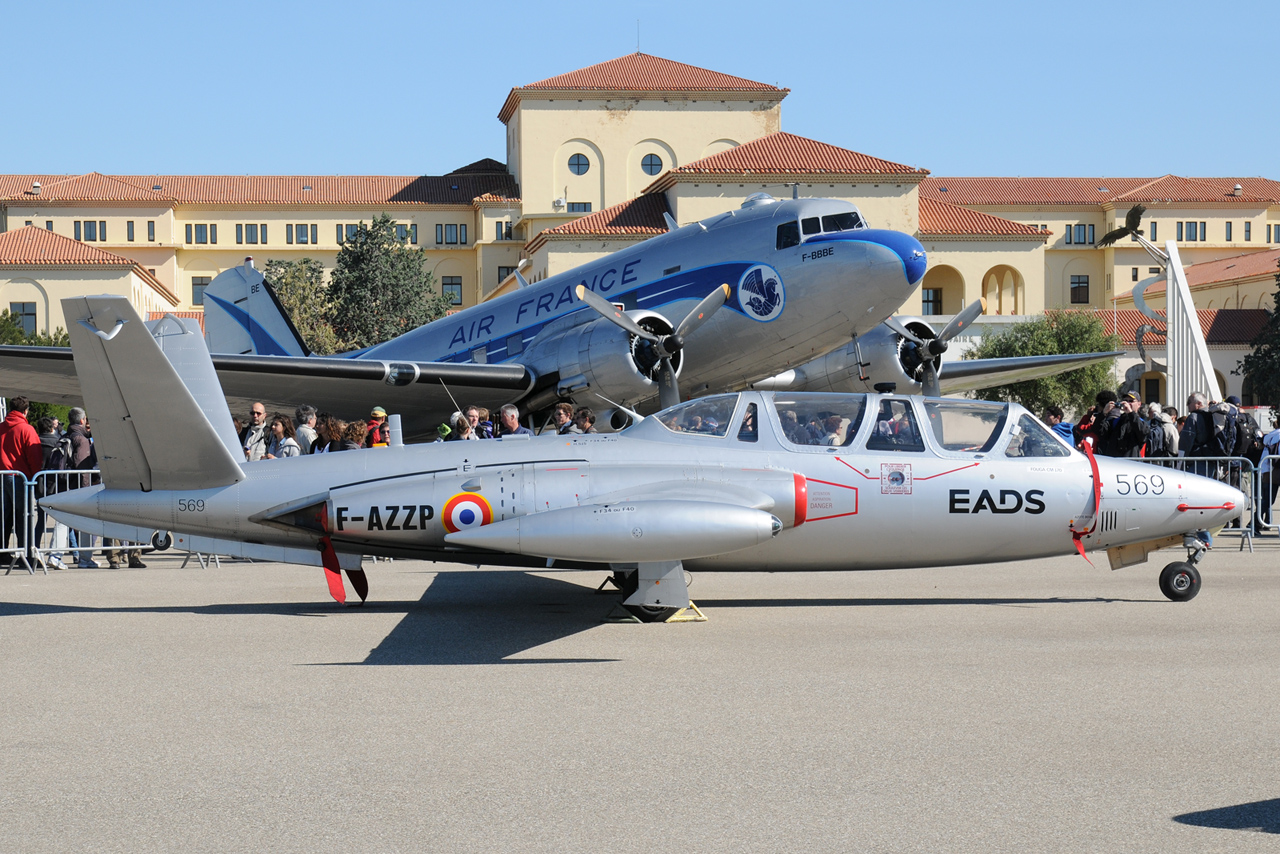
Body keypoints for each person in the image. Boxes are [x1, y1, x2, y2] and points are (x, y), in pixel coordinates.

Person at [0, 396, 44, 567]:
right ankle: (26, 555)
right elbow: (34, 457)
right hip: (20, 477)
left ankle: (3, 552)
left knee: (4, 517)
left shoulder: (2, 427)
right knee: (24, 517)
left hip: (3, 475)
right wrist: (36, 476)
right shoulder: (27, 429)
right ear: (26, 411)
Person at [1178, 392, 1215, 547]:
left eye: (1189, 403)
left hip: (1197, 463)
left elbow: (1185, 442)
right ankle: (1206, 536)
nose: (1187, 406)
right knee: (1206, 499)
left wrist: (1179, 463)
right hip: (1212, 462)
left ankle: (1204, 538)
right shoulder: (1214, 415)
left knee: (1195, 500)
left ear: (1198, 403)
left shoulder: (1194, 418)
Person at [34, 416, 69, 570]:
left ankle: (33, 550)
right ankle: (67, 553)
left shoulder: (35, 443)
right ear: (51, 428)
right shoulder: (57, 442)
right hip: (55, 485)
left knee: (40, 521)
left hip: (38, 482)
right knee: (62, 520)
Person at [1261, 416, 1280, 535]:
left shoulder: (1272, 435)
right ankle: (1255, 524)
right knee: (1268, 499)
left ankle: (1255, 524)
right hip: (1276, 470)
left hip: (1268, 469)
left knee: (1268, 499)